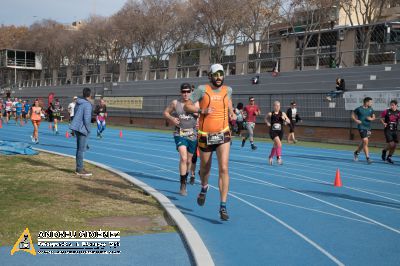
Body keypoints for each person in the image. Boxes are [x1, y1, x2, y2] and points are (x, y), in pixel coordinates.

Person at [184, 63, 236, 221]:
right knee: (205, 169)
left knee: (224, 168)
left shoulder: (228, 90)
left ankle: (223, 206)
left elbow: (229, 104)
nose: (219, 77)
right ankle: (204, 187)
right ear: (210, 76)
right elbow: (187, 105)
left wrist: (232, 113)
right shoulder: (202, 89)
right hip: (206, 135)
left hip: (223, 134)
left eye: (221, 74)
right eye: (216, 74)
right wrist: (201, 110)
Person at [164, 83, 199, 195]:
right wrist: (172, 118)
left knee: (189, 160)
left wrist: (199, 122)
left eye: (188, 91)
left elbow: (202, 116)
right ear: (180, 92)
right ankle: (182, 185)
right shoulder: (175, 103)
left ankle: (186, 175)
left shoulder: (196, 103)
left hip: (192, 134)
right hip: (179, 133)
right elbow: (165, 112)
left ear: (191, 92)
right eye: (183, 91)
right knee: (183, 158)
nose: (186, 93)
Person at [70, 87, 93, 177]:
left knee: (80, 149)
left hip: (77, 127)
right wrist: (89, 129)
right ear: (90, 95)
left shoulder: (78, 103)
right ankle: (79, 169)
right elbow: (87, 119)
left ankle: (79, 167)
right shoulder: (87, 104)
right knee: (81, 150)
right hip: (82, 129)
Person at [265, 101, 291, 165]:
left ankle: (270, 157)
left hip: (280, 132)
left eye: (279, 106)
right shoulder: (270, 113)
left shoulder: (283, 113)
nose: (277, 107)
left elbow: (289, 121)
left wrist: (284, 118)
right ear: (274, 106)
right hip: (273, 131)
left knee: (275, 145)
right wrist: (267, 122)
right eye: (276, 106)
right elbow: (265, 118)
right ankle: (279, 158)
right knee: (279, 144)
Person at [352, 97, 375, 164]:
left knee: (364, 143)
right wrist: (356, 120)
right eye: (370, 102)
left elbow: (373, 117)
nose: (371, 103)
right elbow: (353, 114)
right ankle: (368, 158)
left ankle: (356, 152)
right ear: (366, 102)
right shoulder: (359, 109)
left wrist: (371, 119)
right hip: (361, 127)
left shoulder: (371, 109)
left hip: (368, 128)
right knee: (365, 141)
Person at [380, 100, 400, 164]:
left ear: (396, 105)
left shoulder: (398, 112)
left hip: (395, 130)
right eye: (391, 105)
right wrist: (384, 123)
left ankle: (389, 156)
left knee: (394, 145)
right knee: (391, 144)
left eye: (393, 105)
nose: (392, 106)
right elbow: (381, 118)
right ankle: (385, 151)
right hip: (388, 129)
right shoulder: (386, 111)